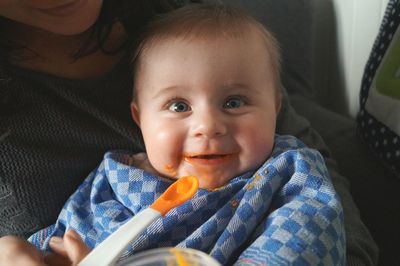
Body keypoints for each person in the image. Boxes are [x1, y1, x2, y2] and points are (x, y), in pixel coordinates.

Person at [0, 0, 378, 266]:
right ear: (137, 117)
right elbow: (66, 235)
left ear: (275, 108)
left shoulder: (286, 171)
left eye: (233, 103)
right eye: (179, 107)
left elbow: (305, 236)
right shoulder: (113, 179)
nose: (208, 126)